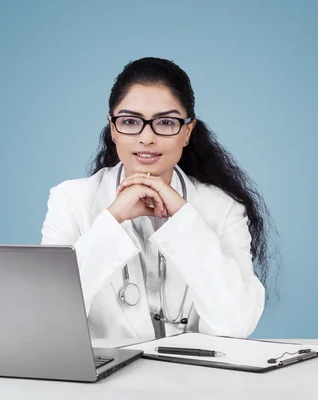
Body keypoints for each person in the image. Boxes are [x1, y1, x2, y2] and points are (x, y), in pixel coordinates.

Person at [41, 57, 278, 340]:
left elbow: (235, 325)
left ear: (187, 131)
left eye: (165, 122)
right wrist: (111, 220)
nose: (147, 137)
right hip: (106, 381)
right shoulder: (70, 200)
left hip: (195, 380)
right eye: (130, 121)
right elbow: (48, 316)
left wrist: (185, 220)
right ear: (113, 129)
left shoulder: (223, 208)